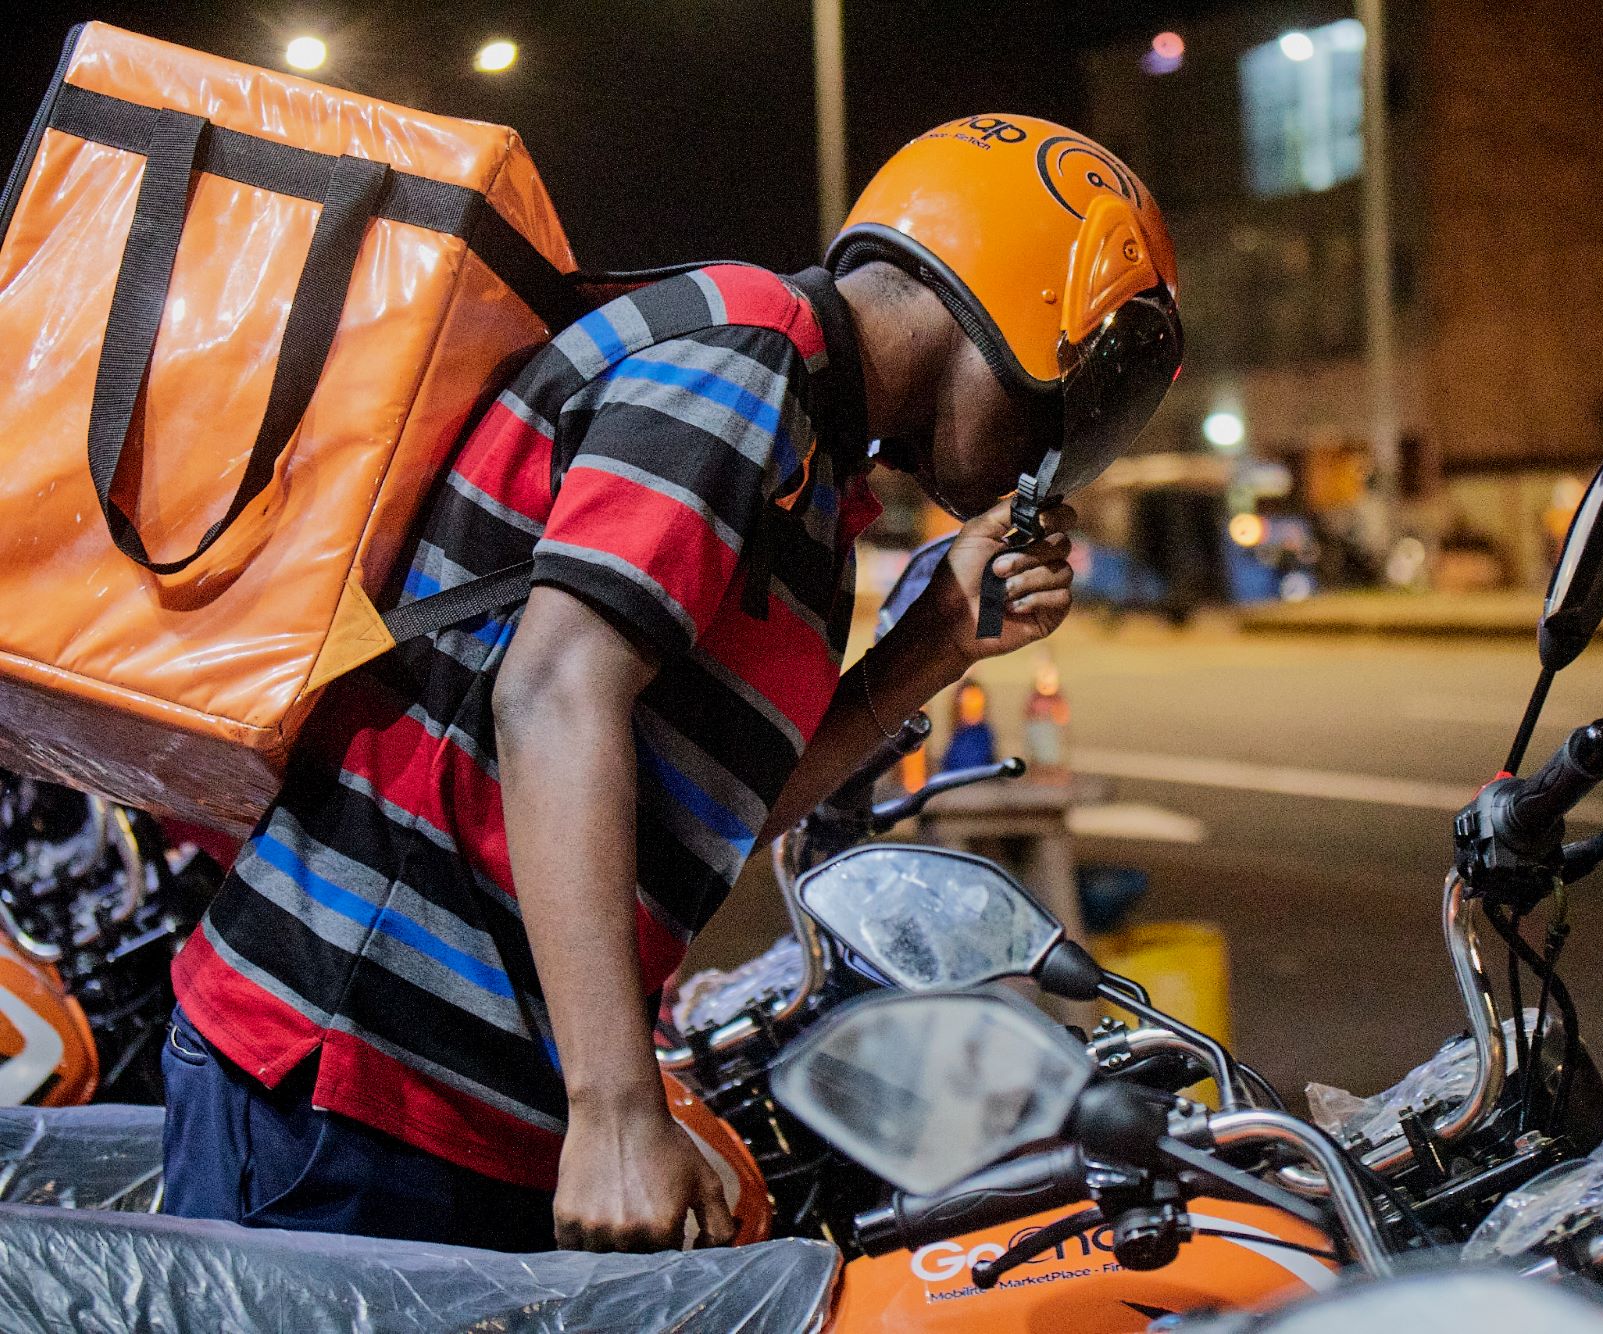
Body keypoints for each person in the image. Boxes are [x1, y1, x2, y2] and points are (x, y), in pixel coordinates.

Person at [158, 115, 1181, 1253]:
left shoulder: (809, 475)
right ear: (1025, 314)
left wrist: (935, 640)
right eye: (1073, 396)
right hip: (351, 1074)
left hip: (459, 1095)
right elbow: (554, 689)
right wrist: (614, 1109)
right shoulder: (747, 357)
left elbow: (706, 817)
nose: (1054, 452)